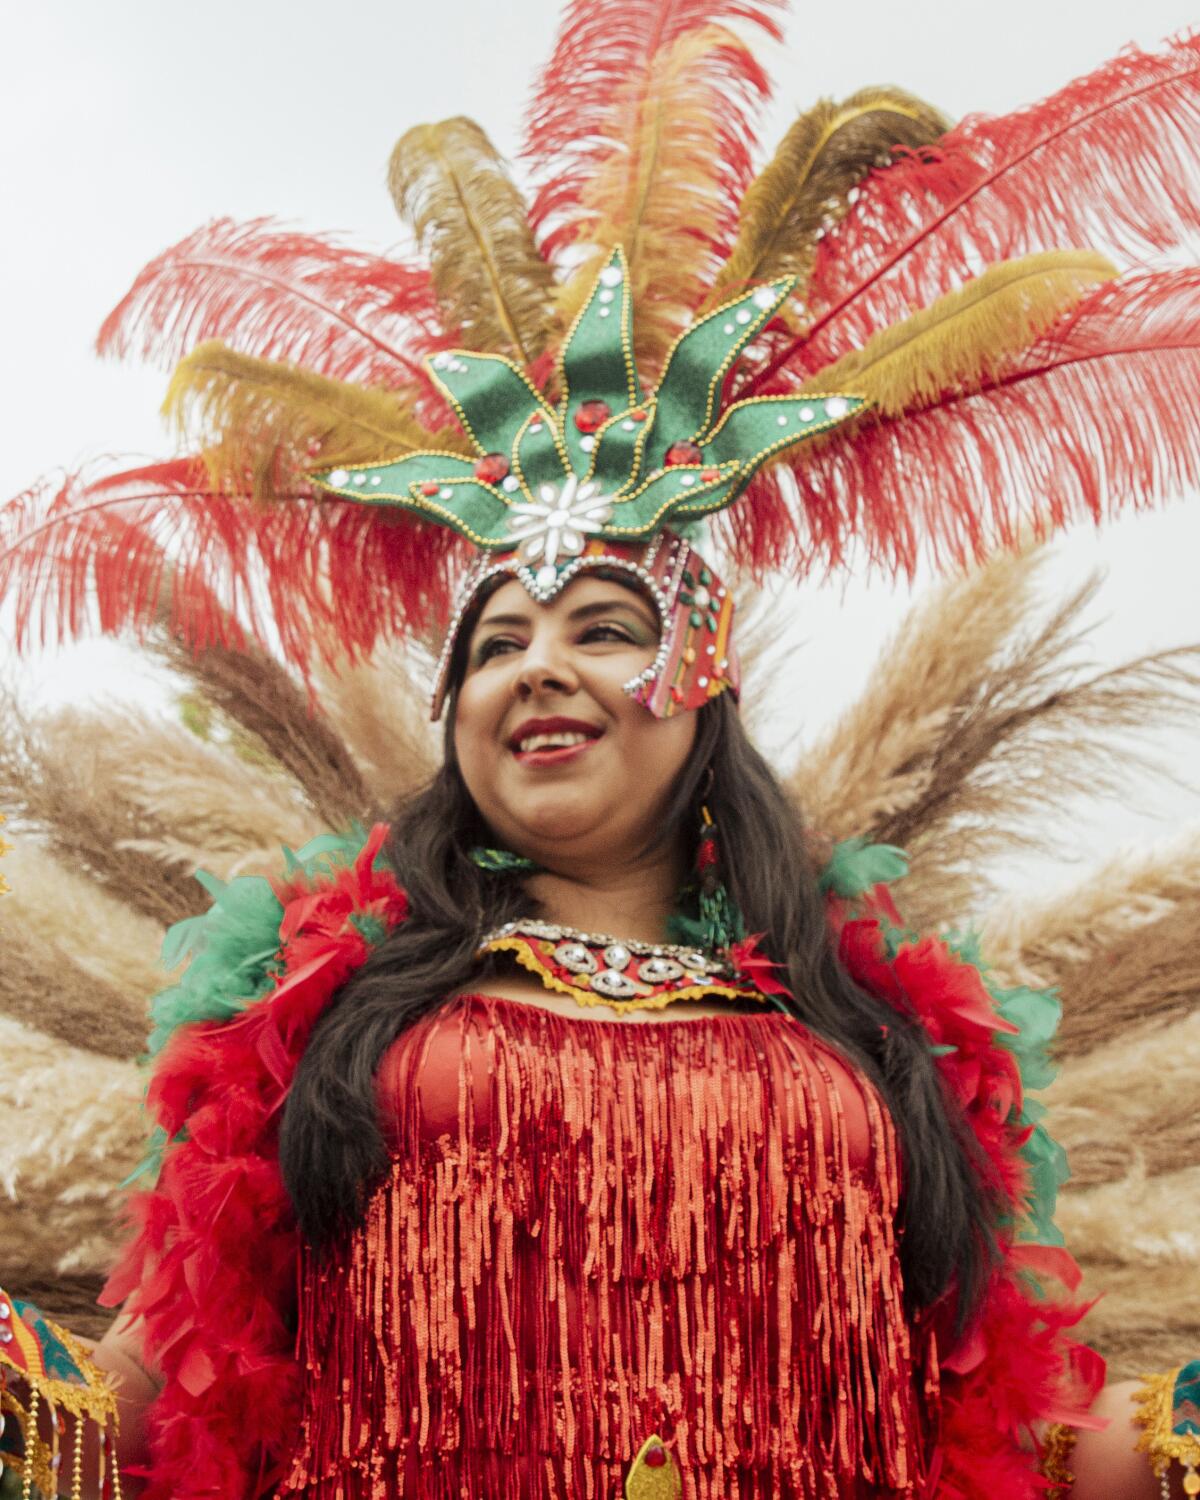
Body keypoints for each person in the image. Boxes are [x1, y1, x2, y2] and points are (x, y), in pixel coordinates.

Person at [3, 6, 1200, 1495]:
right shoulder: (322, 1003)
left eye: (600, 625)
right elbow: (161, 1391)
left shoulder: (885, 1032)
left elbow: (1012, 1421)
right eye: (495, 644)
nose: (540, 669)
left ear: (704, 674)